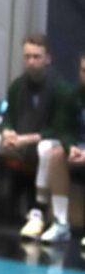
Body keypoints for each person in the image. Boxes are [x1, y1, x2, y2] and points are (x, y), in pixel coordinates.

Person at [0, 33, 70, 239]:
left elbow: (59, 129)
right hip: (19, 141)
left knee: (47, 148)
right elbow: (8, 116)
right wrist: (7, 131)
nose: (31, 61)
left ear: (48, 59)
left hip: (43, 142)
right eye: (27, 57)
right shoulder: (18, 85)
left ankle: (38, 213)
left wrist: (25, 139)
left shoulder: (60, 88)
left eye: (36, 57)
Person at [40, 50, 85, 245]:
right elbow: (63, 129)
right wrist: (70, 147)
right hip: (80, 148)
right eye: (83, 70)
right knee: (57, 156)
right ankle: (61, 223)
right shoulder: (72, 95)